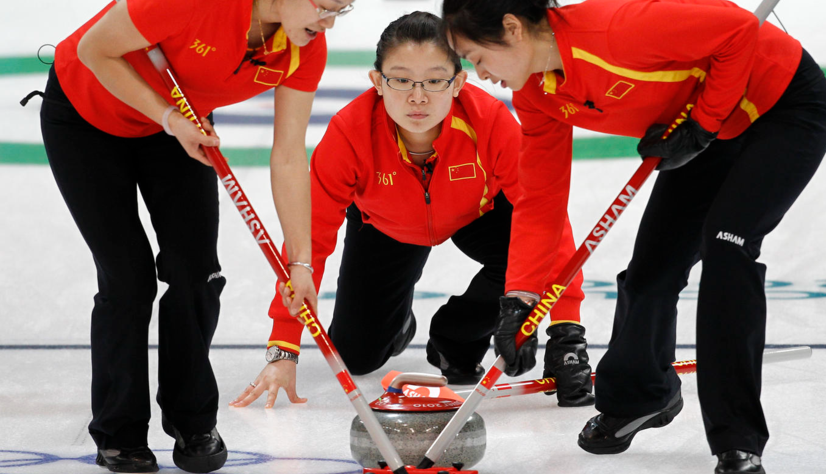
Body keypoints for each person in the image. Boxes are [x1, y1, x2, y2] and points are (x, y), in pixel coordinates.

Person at [441, 0, 826, 472]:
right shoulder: (536, 95)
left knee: (728, 249)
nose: (480, 74)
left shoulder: (613, 30)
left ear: (512, 28)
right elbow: (540, 199)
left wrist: (703, 124)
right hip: (703, 124)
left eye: (477, 57)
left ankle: (737, 439)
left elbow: (739, 29)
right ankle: (643, 395)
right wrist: (519, 299)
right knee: (651, 271)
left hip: (780, 106)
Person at [36, 0, 355, 472]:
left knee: (197, 273)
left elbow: (289, 156)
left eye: (341, 10)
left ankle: (193, 420)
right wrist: (168, 118)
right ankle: (119, 431)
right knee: (128, 279)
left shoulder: (304, 48)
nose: (328, 22)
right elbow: (94, 49)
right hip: (87, 117)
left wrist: (300, 263)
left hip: (177, 128)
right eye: (324, 6)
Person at [229, 11, 594, 411]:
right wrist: (284, 346)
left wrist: (567, 333)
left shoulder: (489, 121)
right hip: (385, 225)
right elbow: (308, 239)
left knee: (527, 259)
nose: (417, 97)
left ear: (458, 83)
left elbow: (549, 221)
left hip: (479, 212)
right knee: (356, 355)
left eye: (435, 81)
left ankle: (454, 336)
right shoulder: (349, 133)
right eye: (401, 80)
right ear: (377, 82)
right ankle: (399, 323)